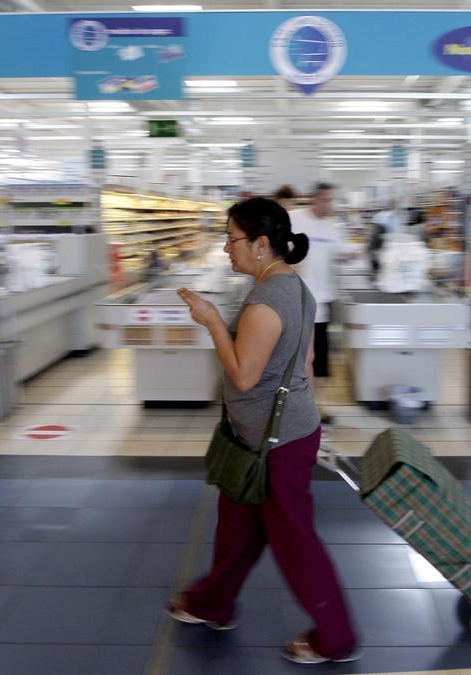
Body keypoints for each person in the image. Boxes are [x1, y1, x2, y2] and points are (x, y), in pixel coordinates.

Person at [172, 197, 360, 665]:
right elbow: (308, 361)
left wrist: (213, 322)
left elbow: (243, 376)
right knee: (237, 529)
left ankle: (335, 636)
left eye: (232, 239)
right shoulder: (297, 288)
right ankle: (210, 603)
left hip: (275, 446)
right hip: (271, 437)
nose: (225, 249)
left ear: (260, 243)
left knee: (294, 540)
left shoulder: (265, 301)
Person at [289, 182, 349, 424]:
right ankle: (298, 401)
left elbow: (341, 252)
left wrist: (350, 253)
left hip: (322, 302)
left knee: (320, 356)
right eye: (327, 200)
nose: (330, 205)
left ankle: (318, 402)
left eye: (332, 200)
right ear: (316, 199)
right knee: (299, 354)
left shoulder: (333, 228)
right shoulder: (295, 219)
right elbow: (277, 242)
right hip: (296, 299)